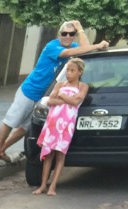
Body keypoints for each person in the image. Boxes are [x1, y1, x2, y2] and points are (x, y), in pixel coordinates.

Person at [0, 20, 107, 163]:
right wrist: (98, 45)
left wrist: (80, 29)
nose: (68, 37)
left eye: (72, 34)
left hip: (42, 96)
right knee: (11, 121)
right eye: (65, 33)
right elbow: (70, 52)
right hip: (29, 91)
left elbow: (86, 48)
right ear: (59, 34)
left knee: (25, 128)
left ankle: (2, 150)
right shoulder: (53, 46)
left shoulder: (75, 47)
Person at [33, 58, 88, 196]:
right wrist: (66, 100)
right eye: (67, 70)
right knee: (48, 154)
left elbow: (76, 102)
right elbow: (50, 101)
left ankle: (53, 186)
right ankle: (43, 185)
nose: (69, 73)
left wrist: (63, 96)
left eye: (72, 71)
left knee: (60, 156)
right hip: (53, 121)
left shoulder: (82, 86)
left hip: (67, 124)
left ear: (80, 72)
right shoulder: (60, 84)